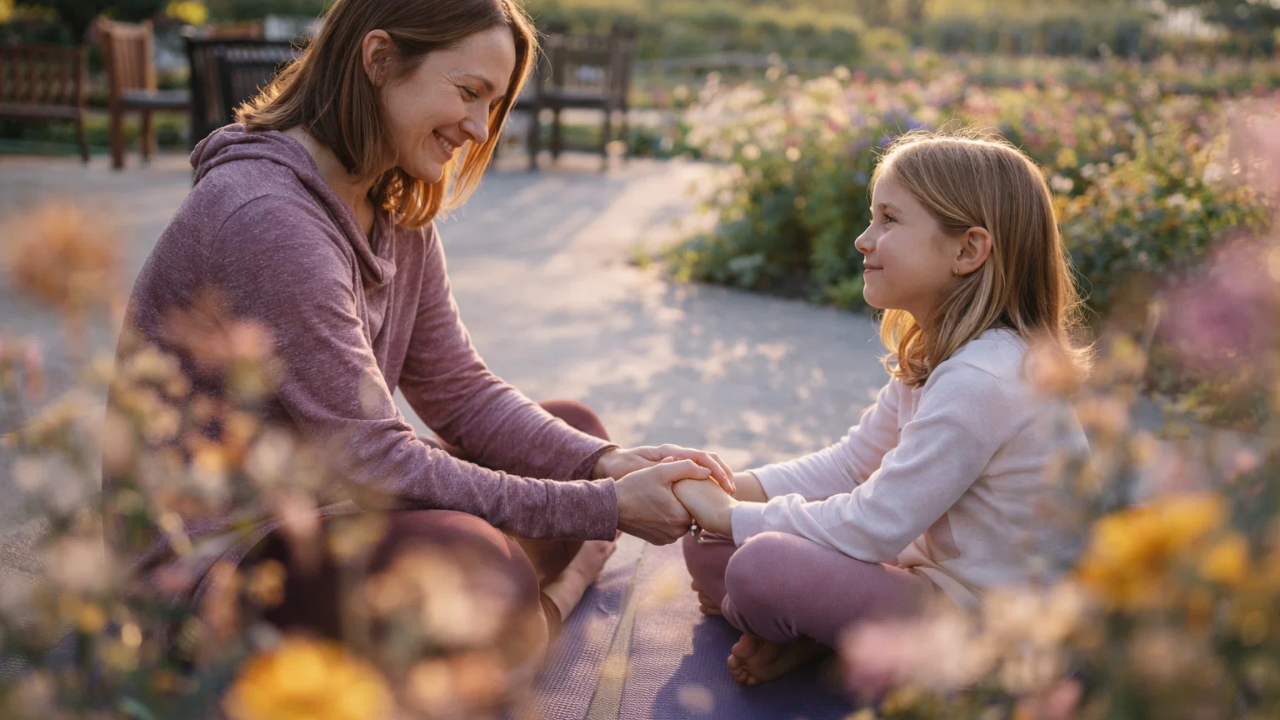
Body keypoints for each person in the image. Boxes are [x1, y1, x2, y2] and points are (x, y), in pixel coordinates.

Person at [101, 0, 731, 690]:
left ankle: (513, 618)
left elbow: (458, 390)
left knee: (576, 430)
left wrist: (605, 463)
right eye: (468, 93)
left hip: (331, 508)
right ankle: (541, 613)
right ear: (378, 60)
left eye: (494, 105)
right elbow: (375, 459)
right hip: (223, 559)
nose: (479, 127)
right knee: (479, 563)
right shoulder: (267, 218)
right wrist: (605, 509)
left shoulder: (393, 204)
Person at [673, 130, 1092, 687]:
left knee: (759, 565)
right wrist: (727, 485)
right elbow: (849, 465)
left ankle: (828, 643)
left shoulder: (984, 378)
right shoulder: (938, 353)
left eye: (889, 221)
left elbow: (874, 524)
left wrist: (731, 515)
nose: (862, 240)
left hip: (996, 635)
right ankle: (828, 641)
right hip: (923, 585)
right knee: (707, 543)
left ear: (968, 250)